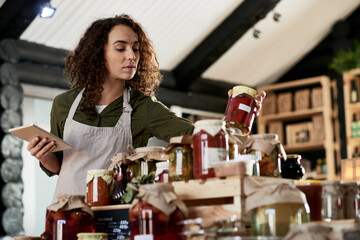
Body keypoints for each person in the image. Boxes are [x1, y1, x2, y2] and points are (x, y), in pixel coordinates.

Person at [26, 14, 265, 201]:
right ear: (98, 54)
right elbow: (59, 167)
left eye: (136, 48)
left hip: (115, 217)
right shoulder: (64, 104)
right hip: (66, 212)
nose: (132, 55)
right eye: (121, 48)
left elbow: (201, 138)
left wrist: (241, 110)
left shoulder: (143, 107)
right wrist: (44, 156)